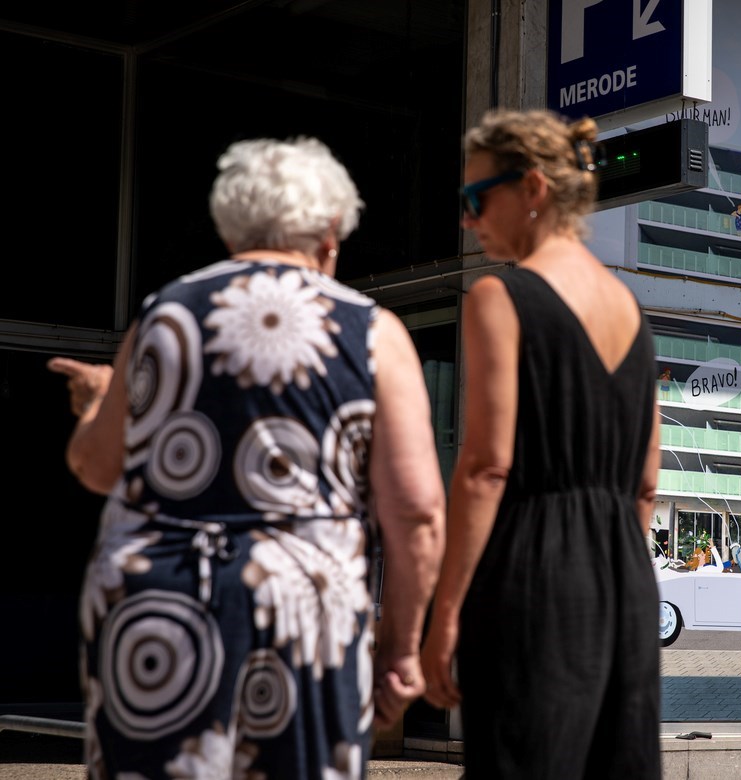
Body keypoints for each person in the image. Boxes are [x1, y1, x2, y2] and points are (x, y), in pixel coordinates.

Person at [48, 137, 446, 778]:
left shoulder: (167, 313)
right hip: (305, 608)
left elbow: (96, 467)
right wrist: (400, 651)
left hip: (157, 603)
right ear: (328, 237)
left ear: (232, 227)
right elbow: (419, 511)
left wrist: (96, 402)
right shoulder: (372, 331)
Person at [419, 109, 662, 778]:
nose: (468, 219)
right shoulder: (630, 309)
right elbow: (646, 484)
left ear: (532, 189)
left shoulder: (500, 296)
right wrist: (608, 557)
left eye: (475, 198)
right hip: (626, 584)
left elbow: (486, 468)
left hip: (534, 575)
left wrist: (446, 615)